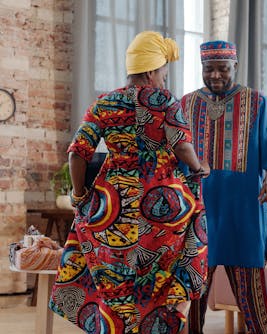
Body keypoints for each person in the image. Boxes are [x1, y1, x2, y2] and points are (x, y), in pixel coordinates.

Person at [49, 31, 210, 334]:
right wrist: (200, 166)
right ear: (151, 71)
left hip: (112, 208)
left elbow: (77, 153)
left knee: (115, 279)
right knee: (191, 239)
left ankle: (115, 326)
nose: (164, 79)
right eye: (163, 72)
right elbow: (181, 146)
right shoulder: (164, 101)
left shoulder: (104, 102)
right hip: (163, 210)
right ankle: (168, 319)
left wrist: (81, 196)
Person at [181, 40, 267, 334]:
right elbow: (172, 152)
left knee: (251, 292)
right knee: (192, 291)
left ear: (235, 67)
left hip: (243, 211)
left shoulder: (257, 103)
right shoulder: (185, 104)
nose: (215, 75)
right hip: (197, 212)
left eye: (223, 69)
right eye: (209, 68)